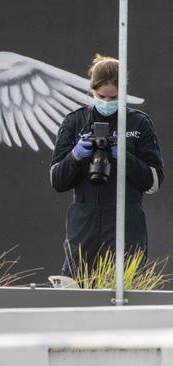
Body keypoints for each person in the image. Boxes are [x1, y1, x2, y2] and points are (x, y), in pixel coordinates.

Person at [50, 54, 164, 276]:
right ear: (91, 91)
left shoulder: (139, 123)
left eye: (114, 98)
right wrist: (76, 155)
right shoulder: (74, 122)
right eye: (101, 96)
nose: (107, 103)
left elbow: (154, 181)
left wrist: (123, 157)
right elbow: (57, 180)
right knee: (74, 287)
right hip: (84, 221)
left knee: (128, 288)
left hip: (126, 220)